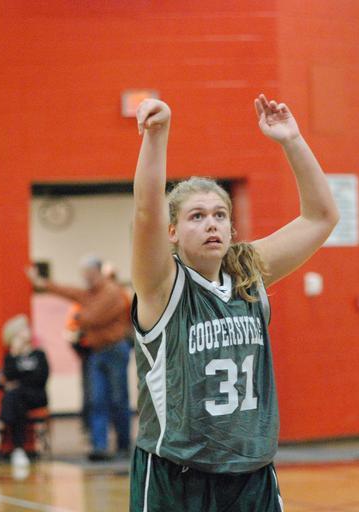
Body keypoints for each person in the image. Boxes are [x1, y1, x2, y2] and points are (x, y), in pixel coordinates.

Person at [129, 94, 339, 510]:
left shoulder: (248, 273)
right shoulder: (162, 286)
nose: (211, 224)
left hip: (251, 473)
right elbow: (146, 213)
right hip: (177, 475)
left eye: (220, 215)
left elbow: (321, 217)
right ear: (172, 232)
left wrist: (292, 140)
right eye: (197, 216)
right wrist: (157, 134)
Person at [28, 257, 132, 461]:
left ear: (98, 272)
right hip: (97, 351)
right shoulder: (91, 293)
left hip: (115, 350)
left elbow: (93, 317)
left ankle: (124, 445)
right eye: (84, 276)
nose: (86, 279)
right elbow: (71, 292)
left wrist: (78, 317)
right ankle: (100, 447)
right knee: (97, 400)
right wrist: (44, 284)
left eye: (89, 275)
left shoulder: (111, 292)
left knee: (118, 400)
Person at [0, 314, 49, 468]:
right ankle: (18, 450)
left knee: (14, 393)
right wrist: (15, 355)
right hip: (20, 398)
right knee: (16, 400)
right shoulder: (10, 357)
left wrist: (19, 381)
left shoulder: (39, 354)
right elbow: (8, 375)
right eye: (23, 329)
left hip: (37, 396)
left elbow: (41, 378)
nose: (27, 331)